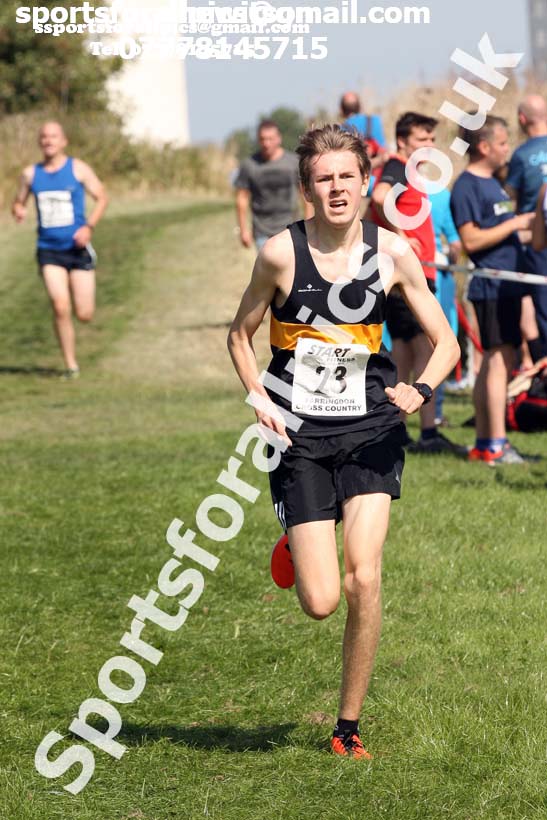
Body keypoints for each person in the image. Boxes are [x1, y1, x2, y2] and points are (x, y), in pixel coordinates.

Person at [227, 124, 459, 759]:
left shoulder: (393, 254)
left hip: (371, 428)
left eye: (346, 177)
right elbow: (238, 337)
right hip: (299, 437)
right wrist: (257, 397)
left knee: (364, 577)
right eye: (323, 178)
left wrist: (421, 389)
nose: (336, 188)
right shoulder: (280, 254)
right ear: (307, 187)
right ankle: (297, 542)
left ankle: (346, 728)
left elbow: (447, 342)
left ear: (364, 183)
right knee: (321, 601)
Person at [369, 112, 460, 453]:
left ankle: (399, 427)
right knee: (425, 345)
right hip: (410, 273)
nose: (430, 146)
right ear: (404, 141)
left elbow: (369, 215)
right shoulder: (397, 165)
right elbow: (378, 198)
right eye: (423, 140)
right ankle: (429, 431)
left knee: (406, 348)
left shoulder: (410, 174)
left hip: (404, 274)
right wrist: (402, 238)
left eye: (433, 140)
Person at [450, 115, 534, 464]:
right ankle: (497, 444)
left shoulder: (494, 185)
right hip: (491, 286)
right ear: (483, 147)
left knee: (496, 362)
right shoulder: (467, 185)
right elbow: (470, 239)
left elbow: (507, 233)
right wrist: (515, 222)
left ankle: (485, 443)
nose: (507, 150)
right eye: (502, 143)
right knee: (499, 362)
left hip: (509, 286)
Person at [12, 121, 108, 378]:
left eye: (53, 136)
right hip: (48, 250)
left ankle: (74, 348)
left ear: (63, 140)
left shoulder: (78, 169)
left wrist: (89, 227)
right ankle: (70, 364)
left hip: (77, 249)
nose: (48, 140)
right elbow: (18, 201)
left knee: (84, 314)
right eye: (43, 136)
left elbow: (102, 196)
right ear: (39, 142)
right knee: (60, 305)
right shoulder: (30, 174)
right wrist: (19, 209)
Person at [505, 94, 547, 361]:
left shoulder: (521, 155)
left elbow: (507, 198)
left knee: (538, 306)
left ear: (522, 119)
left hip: (536, 241)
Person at [234, 120, 305, 251]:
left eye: (270, 139)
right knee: (270, 270)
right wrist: (243, 230)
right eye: (262, 139)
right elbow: (241, 199)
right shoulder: (249, 165)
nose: (266, 143)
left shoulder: (293, 162)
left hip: (291, 228)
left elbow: (306, 195)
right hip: (262, 231)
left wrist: (310, 225)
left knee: (291, 269)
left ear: (279, 139)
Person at [428, 185, 462, 424]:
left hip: (412, 274)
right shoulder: (441, 194)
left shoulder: (394, 188)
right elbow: (455, 244)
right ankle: (435, 415)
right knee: (441, 343)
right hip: (435, 276)